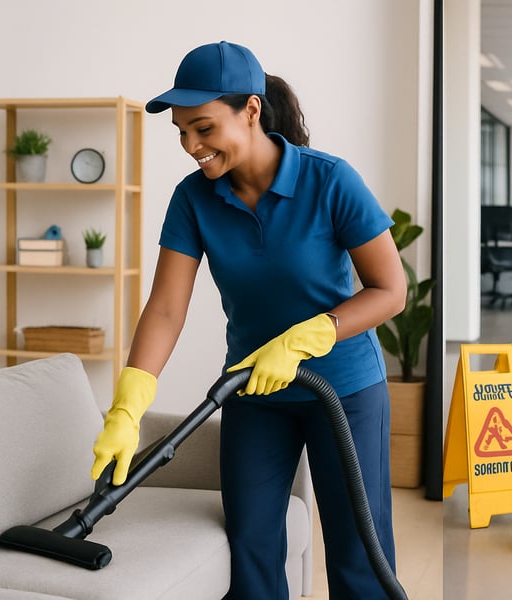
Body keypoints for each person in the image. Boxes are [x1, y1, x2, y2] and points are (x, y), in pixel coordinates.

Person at [89, 41, 407, 599]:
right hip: (253, 391)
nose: (191, 146)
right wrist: (128, 404)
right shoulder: (193, 200)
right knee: (251, 550)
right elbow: (166, 306)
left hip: (346, 390)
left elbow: (391, 290)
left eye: (204, 129)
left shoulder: (330, 180)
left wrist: (309, 336)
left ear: (252, 110)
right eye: (183, 132)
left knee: (360, 553)